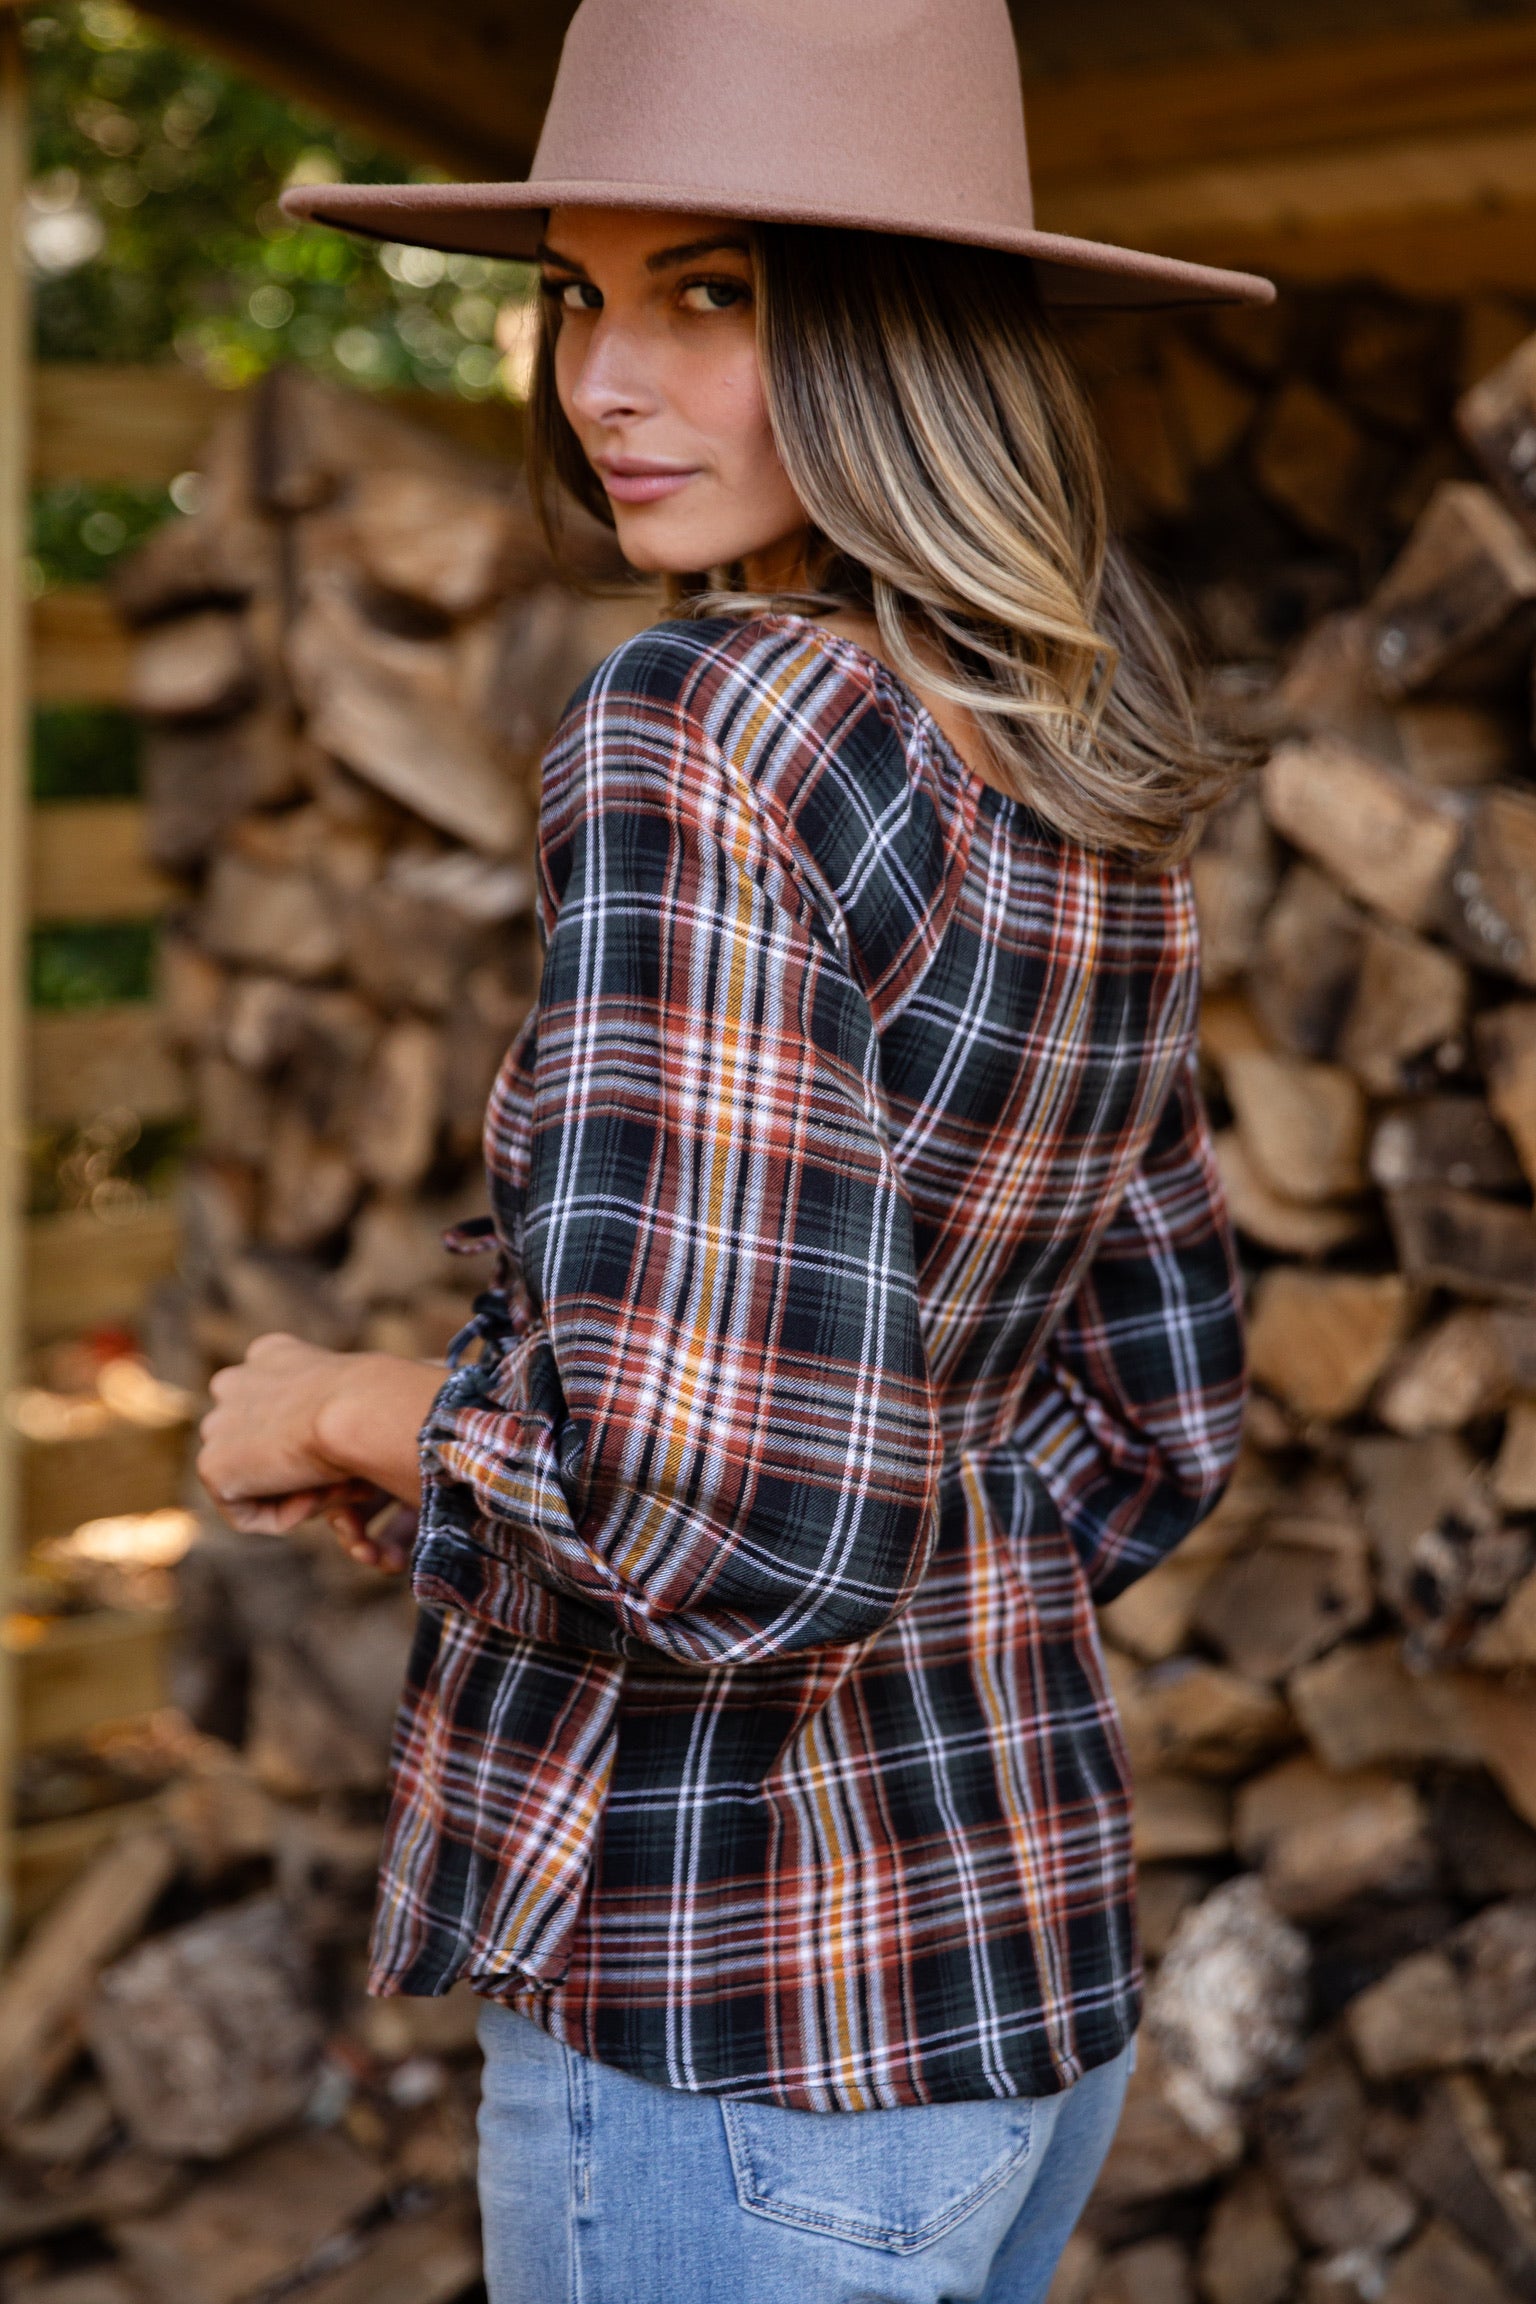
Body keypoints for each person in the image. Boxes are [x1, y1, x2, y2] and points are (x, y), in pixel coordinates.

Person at [199, 3, 1265, 2296]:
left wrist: (352, 1408)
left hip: (740, 2011)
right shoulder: (1087, 767)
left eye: (715, 294)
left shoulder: (703, 727)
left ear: (909, 342)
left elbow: (740, 1526)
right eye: (577, 291)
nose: (602, 379)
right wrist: (694, 1488)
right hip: (1015, 1980)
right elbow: (1152, 1421)